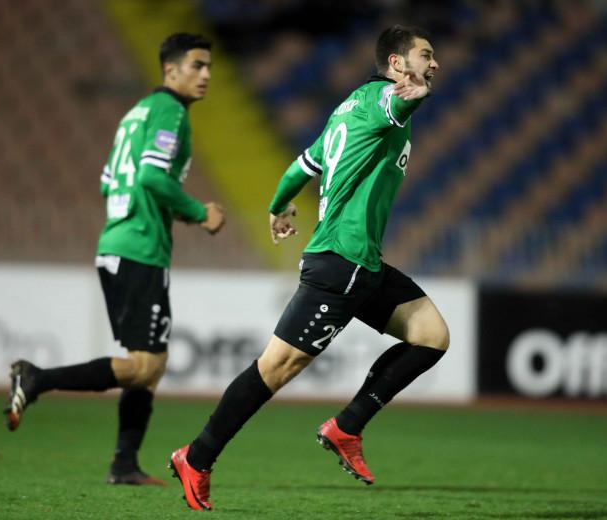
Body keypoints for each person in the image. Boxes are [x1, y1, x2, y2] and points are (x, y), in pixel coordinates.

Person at [168, 24, 448, 511]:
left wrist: (278, 205)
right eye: (425, 55)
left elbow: (303, 165)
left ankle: (347, 426)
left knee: (431, 335)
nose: (434, 63)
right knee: (275, 368)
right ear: (397, 64)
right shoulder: (381, 99)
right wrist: (416, 98)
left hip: (362, 265)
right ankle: (197, 456)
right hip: (340, 263)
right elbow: (397, 105)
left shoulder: (348, 107)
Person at [4, 33, 225, 486]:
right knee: (145, 366)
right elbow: (151, 176)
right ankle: (37, 378)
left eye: (208, 66)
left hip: (118, 245)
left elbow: (110, 180)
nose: (206, 74)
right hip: (139, 249)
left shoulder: (135, 113)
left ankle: (124, 464)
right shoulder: (170, 111)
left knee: (148, 365)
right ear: (171, 70)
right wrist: (199, 212)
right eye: (197, 65)